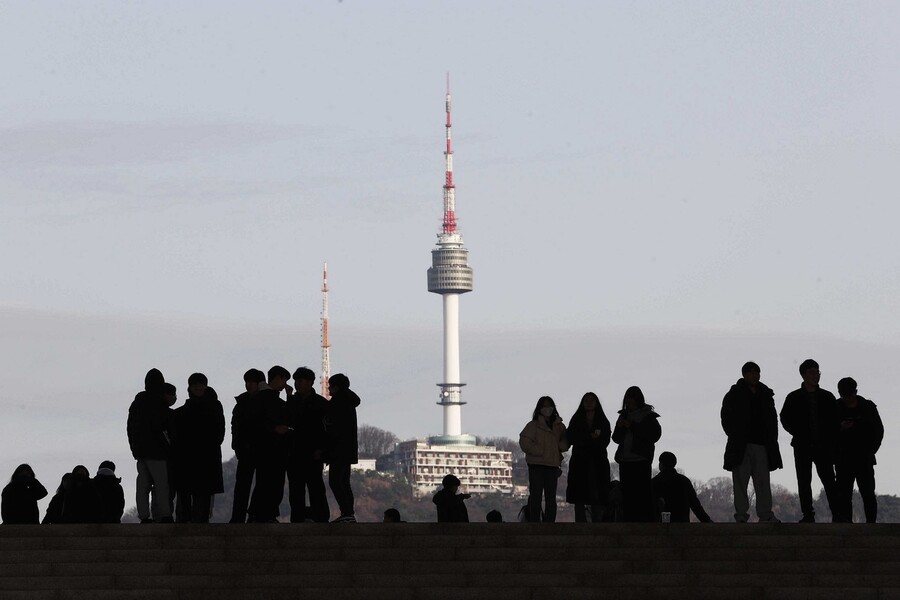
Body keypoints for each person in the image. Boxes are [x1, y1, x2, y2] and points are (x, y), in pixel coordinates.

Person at [721, 361, 782, 523]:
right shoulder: (736, 394)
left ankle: (763, 513)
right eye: (753, 373)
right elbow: (726, 418)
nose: (756, 376)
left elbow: (772, 420)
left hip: (759, 443)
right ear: (745, 374)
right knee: (742, 482)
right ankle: (745, 514)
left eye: (757, 373)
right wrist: (736, 435)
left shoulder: (763, 394)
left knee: (761, 481)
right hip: (743, 444)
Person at [780, 359, 839, 522]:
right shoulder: (794, 397)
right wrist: (799, 433)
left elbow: (835, 420)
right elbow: (785, 418)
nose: (816, 376)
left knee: (829, 480)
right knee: (804, 481)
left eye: (817, 373)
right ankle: (808, 514)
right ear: (803, 374)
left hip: (823, 445)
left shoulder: (827, 397)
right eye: (812, 373)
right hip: (803, 445)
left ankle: (837, 513)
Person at [170, 373, 225, 523]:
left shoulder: (182, 412)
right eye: (196, 385)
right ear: (190, 387)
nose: (198, 388)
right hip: (194, 458)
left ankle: (194, 522)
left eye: (201, 385)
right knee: (189, 495)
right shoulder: (182, 412)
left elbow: (219, 432)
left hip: (201, 458)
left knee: (198, 495)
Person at [127, 368, 173, 523]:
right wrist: (168, 448)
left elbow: (129, 427)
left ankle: (144, 516)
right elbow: (161, 428)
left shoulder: (137, 403)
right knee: (161, 486)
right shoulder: (158, 403)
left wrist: (134, 448)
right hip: (157, 452)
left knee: (143, 486)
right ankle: (165, 515)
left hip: (140, 452)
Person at [834, 377, 884, 523]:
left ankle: (871, 524)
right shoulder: (836, 408)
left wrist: (870, 451)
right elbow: (829, 432)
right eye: (845, 395)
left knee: (868, 494)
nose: (847, 398)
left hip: (863, 458)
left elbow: (878, 431)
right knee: (845, 496)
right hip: (844, 459)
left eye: (849, 394)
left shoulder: (867, 407)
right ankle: (847, 525)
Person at [247, 366, 292, 523]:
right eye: (284, 379)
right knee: (271, 483)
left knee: (266, 482)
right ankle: (264, 514)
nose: (285, 383)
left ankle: (259, 513)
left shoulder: (261, 398)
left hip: (267, 448)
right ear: (278, 378)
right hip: (271, 448)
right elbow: (256, 423)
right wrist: (274, 429)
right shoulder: (269, 399)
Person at [286, 367, 330, 523]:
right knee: (297, 490)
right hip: (295, 453)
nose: (298, 384)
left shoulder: (320, 404)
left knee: (315, 488)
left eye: (301, 381)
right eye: (296, 381)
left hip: (313, 453)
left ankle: (321, 517)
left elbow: (327, 431)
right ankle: (298, 518)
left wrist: (322, 450)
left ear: (310, 382)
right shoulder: (295, 402)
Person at [612, 386, 661, 522]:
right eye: (628, 401)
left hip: (641, 460)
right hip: (625, 460)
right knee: (627, 494)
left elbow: (654, 435)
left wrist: (632, 426)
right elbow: (616, 438)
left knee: (642, 493)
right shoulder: (623, 415)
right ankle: (629, 520)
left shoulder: (648, 416)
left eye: (632, 401)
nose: (630, 404)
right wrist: (621, 426)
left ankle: (644, 521)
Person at [519, 396, 569, 523]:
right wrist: (539, 451)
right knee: (536, 497)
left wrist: (561, 446)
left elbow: (566, 440)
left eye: (549, 406)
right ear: (539, 408)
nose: (547, 409)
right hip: (537, 465)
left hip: (552, 465)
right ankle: (535, 522)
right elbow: (524, 442)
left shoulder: (559, 426)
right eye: (544, 406)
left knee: (550, 498)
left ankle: (549, 523)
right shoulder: (533, 425)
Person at [566, 392, 612, 522]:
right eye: (586, 400)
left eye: (592, 400)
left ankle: (597, 522)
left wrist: (589, 440)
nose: (589, 402)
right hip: (580, 461)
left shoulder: (603, 420)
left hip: (597, 461)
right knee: (579, 496)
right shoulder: (576, 419)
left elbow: (606, 440)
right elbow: (570, 437)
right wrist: (589, 438)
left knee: (597, 494)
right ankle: (580, 523)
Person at [229, 368, 265, 523]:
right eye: (247, 382)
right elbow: (235, 427)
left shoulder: (243, 403)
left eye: (251, 382)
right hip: (247, 450)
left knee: (249, 485)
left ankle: (247, 515)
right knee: (244, 486)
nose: (248, 385)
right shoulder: (244, 403)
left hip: (256, 449)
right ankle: (241, 516)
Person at [324, 373, 361, 523]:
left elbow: (333, 431)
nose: (328, 389)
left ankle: (346, 512)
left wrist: (326, 451)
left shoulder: (336, 404)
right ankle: (348, 513)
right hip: (347, 450)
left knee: (335, 481)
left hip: (337, 450)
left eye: (330, 386)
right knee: (344, 482)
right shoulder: (349, 402)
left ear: (336, 387)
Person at [651, 451, 713, 523]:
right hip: (682, 526)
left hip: (660, 526)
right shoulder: (684, 481)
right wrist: (707, 521)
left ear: (661, 464)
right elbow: (695, 505)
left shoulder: (654, 482)